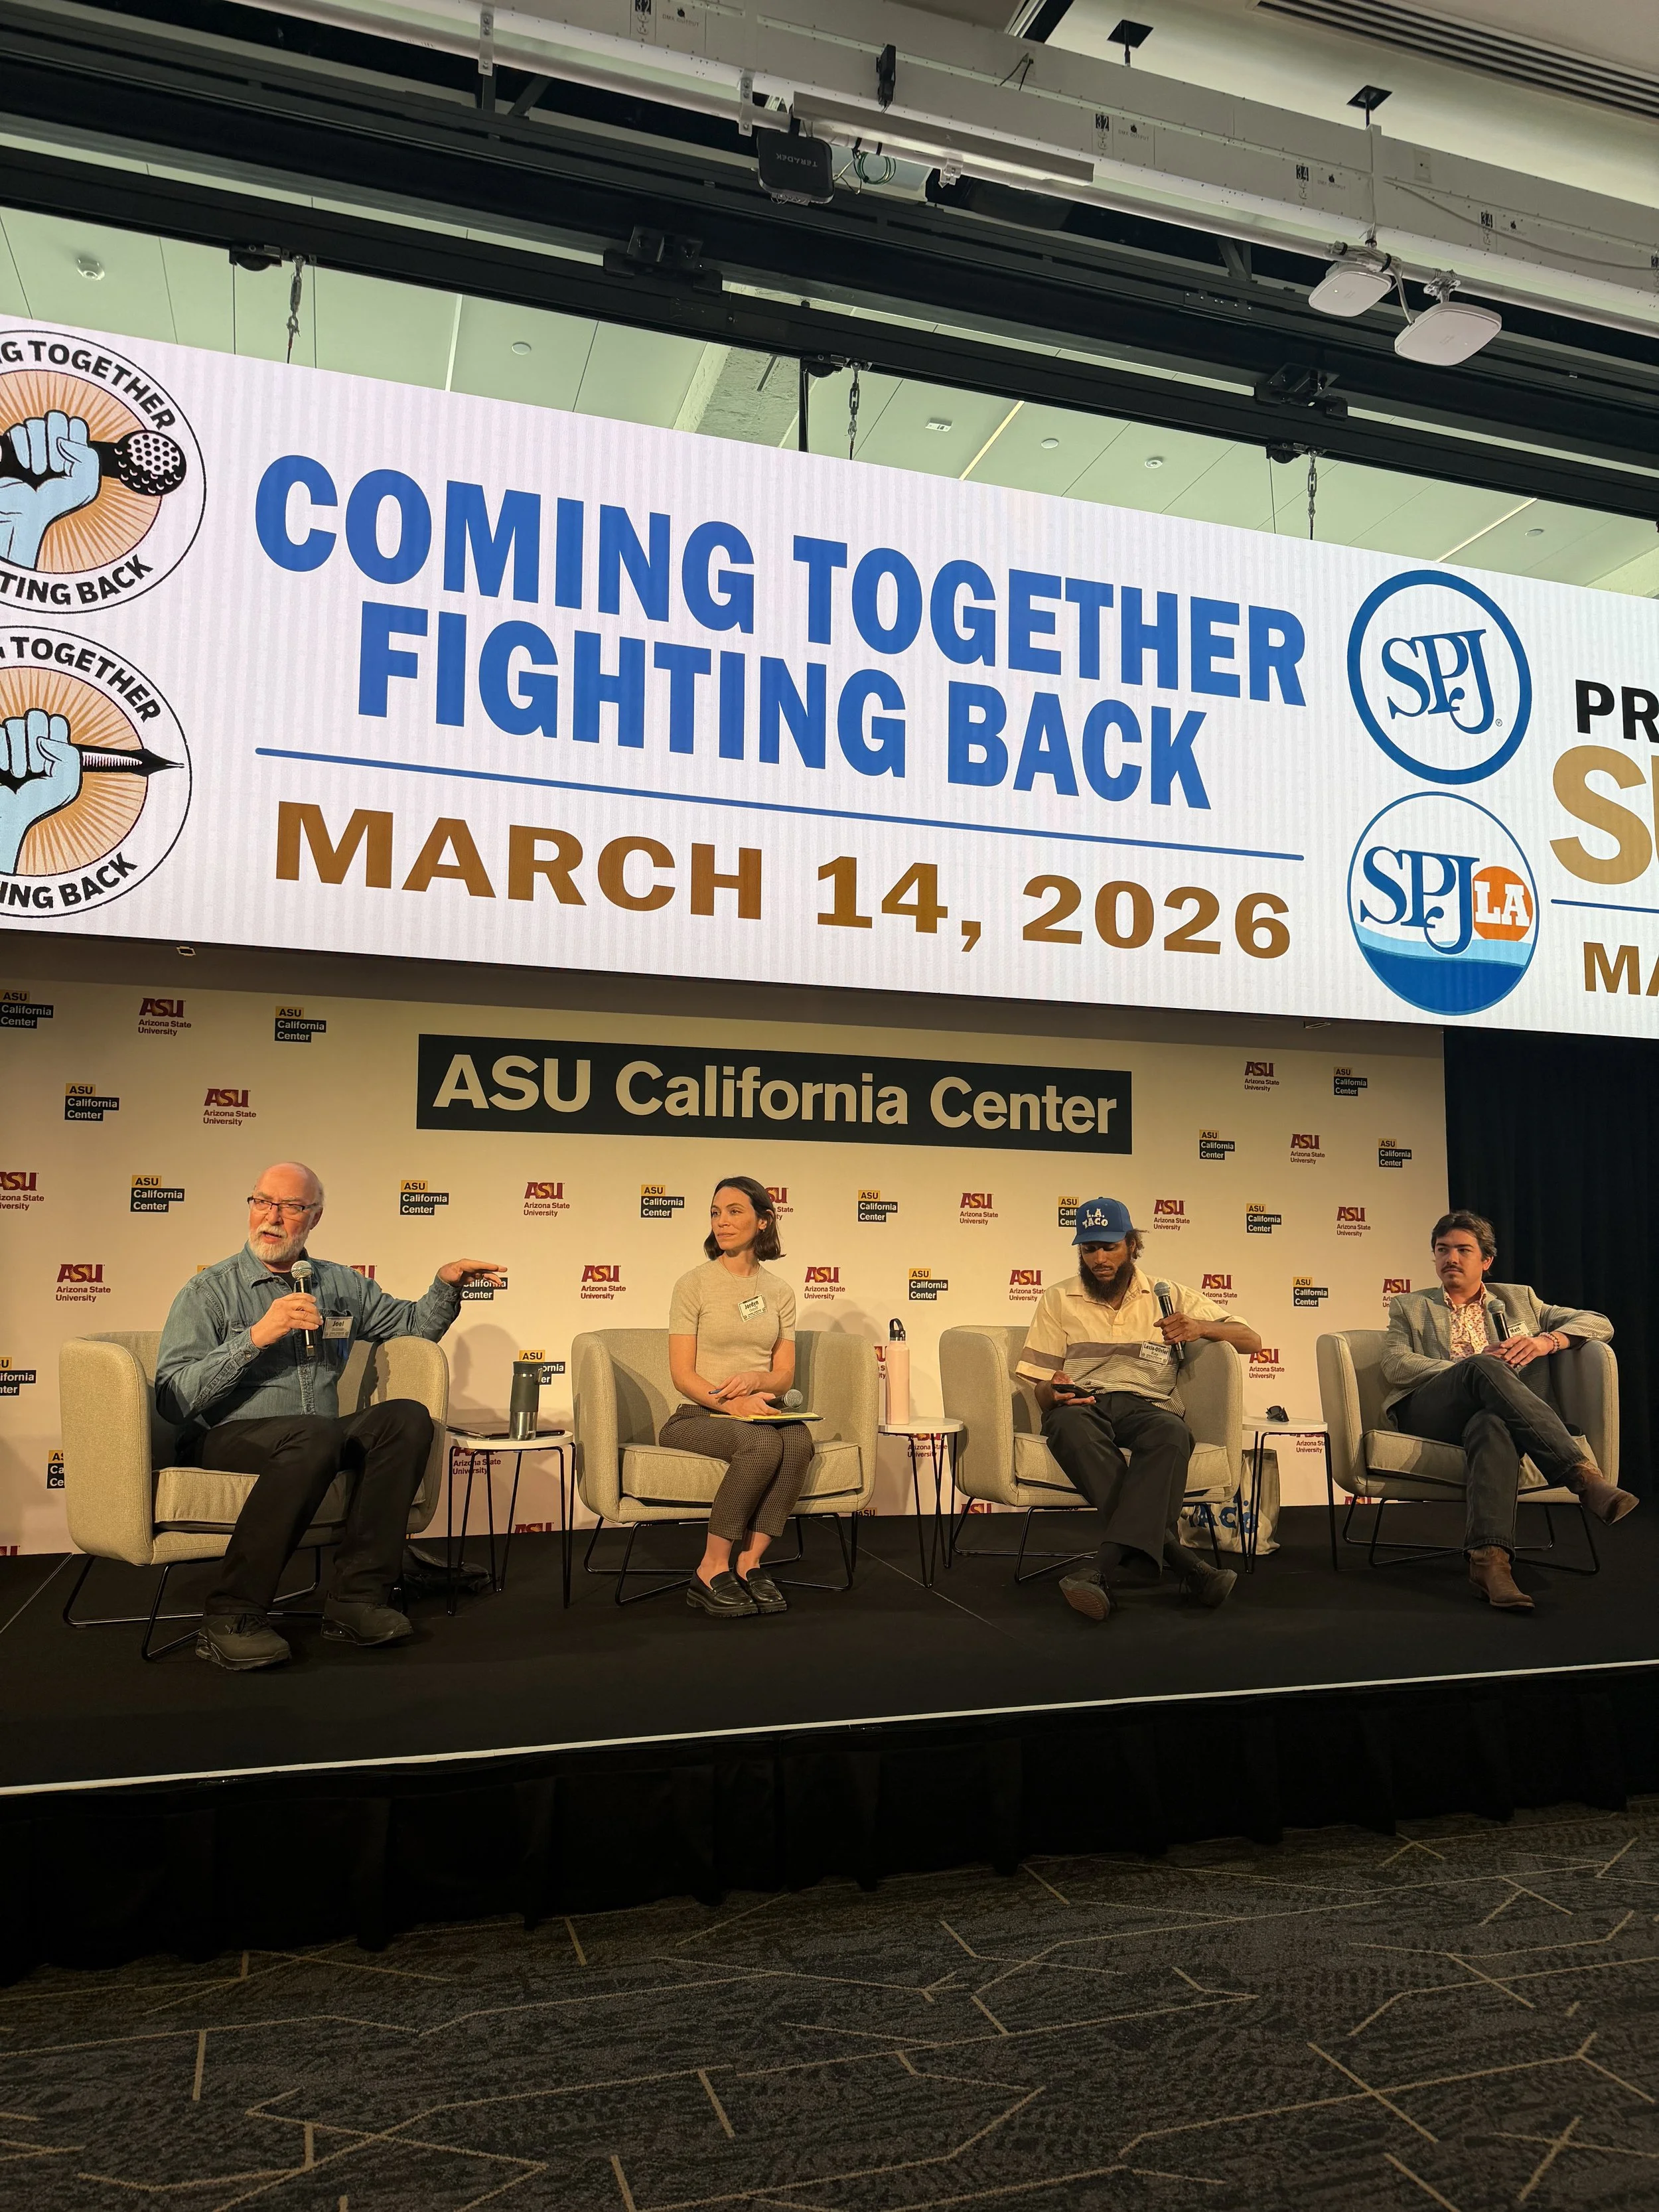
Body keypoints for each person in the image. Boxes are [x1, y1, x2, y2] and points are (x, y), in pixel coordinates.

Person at [155, 1160, 503, 1670]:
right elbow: (172, 1397)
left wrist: (446, 1285)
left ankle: (357, 1599)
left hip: (314, 1435)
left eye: (290, 1206)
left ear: (314, 1217)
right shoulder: (209, 1292)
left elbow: (411, 1327)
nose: (271, 1217)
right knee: (314, 1436)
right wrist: (253, 1339)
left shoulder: (340, 1285)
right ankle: (232, 1614)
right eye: (262, 1202)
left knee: (405, 1417)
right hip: (225, 1436)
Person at [1015, 1195, 1262, 1622]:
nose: (1099, 1259)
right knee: (1069, 1426)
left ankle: (1102, 1571)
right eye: (1089, 1248)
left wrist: (1199, 1327)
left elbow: (1252, 1340)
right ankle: (1185, 1564)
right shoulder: (1058, 1298)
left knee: (1172, 1434)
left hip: (1147, 1404)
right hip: (1081, 1403)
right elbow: (1041, 1384)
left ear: (1132, 1244)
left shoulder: (1166, 1294)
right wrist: (1050, 1394)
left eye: (1109, 1246)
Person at [1382, 1209, 1634, 1611]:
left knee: (1491, 1424)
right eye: (1442, 1250)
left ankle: (1490, 1562)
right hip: (1433, 1410)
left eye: (1464, 1250)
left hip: (1499, 1415)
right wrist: (1466, 1369)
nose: (1451, 1258)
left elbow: (1599, 1323)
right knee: (1484, 1366)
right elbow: (1395, 1363)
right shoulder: (1411, 1307)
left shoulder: (1521, 1301)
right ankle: (1582, 1477)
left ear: (1486, 1261)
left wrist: (1545, 1342)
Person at [662, 1176, 814, 1619]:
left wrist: (757, 1379)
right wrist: (731, 1404)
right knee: (763, 1442)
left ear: (763, 1220)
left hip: (759, 1411)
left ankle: (750, 1563)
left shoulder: (780, 1291)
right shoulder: (693, 1284)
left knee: (799, 1439)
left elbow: (784, 1377)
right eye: (715, 1212)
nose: (722, 1221)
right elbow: (682, 1373)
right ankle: (711, 1569)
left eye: (734, 1211)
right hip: (697, 1415)